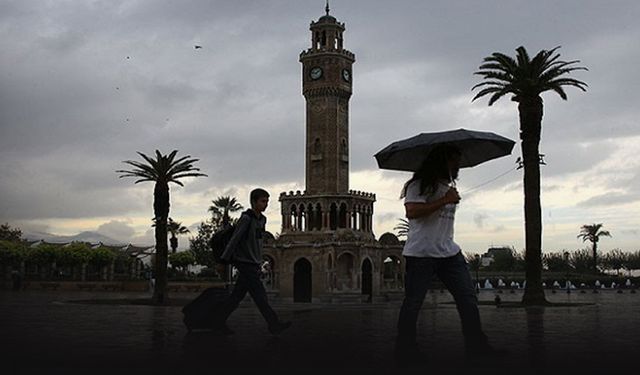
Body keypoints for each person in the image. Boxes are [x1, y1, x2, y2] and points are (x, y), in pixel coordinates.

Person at [395, 145, 503, 365]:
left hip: (449, 252)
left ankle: (477, 346)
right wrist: (444, 200)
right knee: (413, 302)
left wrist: (449, 197)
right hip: (422, 253)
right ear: (442, 161)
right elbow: (412, 212)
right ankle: (405, 349)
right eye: (454, 160)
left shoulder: (448, 186)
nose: (458, 165)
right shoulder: (418, 186)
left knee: (468, 298)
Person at [215, 188, 292, 335]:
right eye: (263, 201)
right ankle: (274, 324)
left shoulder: (262, 220)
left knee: (236, 297)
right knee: (260, 296)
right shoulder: (246, 219)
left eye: (267, 201)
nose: (266, 204)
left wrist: (259, 260)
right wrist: (223, 260)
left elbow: (258, 241)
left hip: (254, 263)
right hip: (245, 264)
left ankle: (217, 322)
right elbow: (234, 240)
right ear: (254, 202)